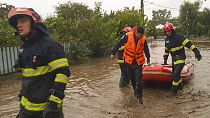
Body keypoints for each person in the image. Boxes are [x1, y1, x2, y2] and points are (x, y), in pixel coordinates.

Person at [8, 7, 70, 118]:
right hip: (25, 110)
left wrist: (54, 103)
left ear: (33, 22)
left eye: (22, 21)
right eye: (17, 22)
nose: (18, 25)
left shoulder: (50, 46)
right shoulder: (25, 48)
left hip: (47, 111)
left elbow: (63, 72)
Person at [163, 22, 202, 94]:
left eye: (169, 31)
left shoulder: (179, 37)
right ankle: (180, 88)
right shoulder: (166, 40)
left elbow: (189, 44)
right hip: (174, 60)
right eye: (166, 31)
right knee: (176, 75)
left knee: (176, 75)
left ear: (172, 30)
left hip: (181, 59)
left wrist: (196, 52)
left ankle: (173, 92)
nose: (167, 33)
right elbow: (166, 51)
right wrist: (165, 60)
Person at [123, 26, 150, 103]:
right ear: (136, 33)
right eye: (140, 35)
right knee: (132, 79)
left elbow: (146, 49)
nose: (141, 37)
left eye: (142, 35)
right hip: (129, 62)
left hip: (138, 62)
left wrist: (148, 57)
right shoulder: (127, 36)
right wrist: (113, 52)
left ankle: (140, 96)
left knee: (139, 80)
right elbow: (120, 44)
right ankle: (136, 92)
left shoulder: (143, 39)